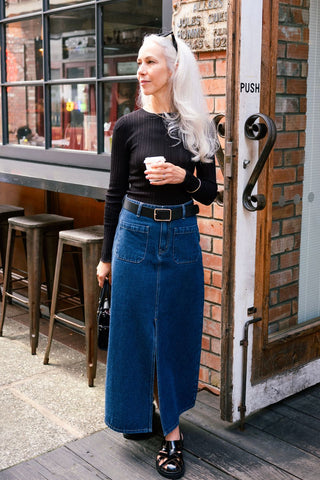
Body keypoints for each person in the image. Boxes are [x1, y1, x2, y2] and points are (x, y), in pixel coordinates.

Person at [96, 31, 219, 479]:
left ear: (172, 69)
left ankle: (172, 433)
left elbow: (210, 192)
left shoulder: (198, 126)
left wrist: (180, 177)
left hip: (182, 235)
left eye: (150, 62)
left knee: (174, 331)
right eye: (139, 63)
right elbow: (113, 195)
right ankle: (138, 415)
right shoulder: (127, 125)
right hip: (134, 234)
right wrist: (106, 257)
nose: (141, 71)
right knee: (132, 332)